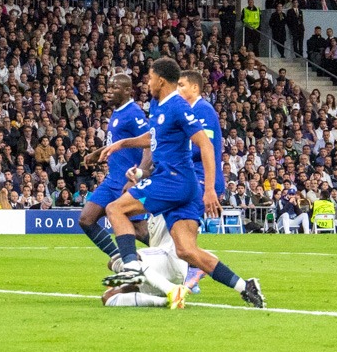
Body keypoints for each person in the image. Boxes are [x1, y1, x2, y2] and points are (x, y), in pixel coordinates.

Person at [100, 58, 265, 308]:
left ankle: (132, 266)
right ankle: (245, 286)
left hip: (173, 181)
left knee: (115, 209)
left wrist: (209, 189)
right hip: (182, 185)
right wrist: (122, 143)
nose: (147, 83)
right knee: (187, 250)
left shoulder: (178, 107)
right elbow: (153, 137)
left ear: (161, 80)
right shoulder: (157, 104)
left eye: (150, 78)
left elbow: (206, 145)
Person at [79, 73, 151, 262]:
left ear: (128, 90)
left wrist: (137, 176)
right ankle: (118, 259)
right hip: (113, 180)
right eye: (108, 87)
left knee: (140, 231)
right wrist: (98, 153)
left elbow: (150, 144)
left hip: (127, 180)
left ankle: (184, 261)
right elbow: (120, 143)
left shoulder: (134, 113)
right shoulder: (118, 112)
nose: (108, 91)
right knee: (86, 219)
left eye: (114, 88)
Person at [176, 70, 224, 293]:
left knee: (181, 227)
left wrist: (210, 187)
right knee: (177, 228)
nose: (178, 90)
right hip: (191, 177)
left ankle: (196, 266)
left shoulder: (203, 110)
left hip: (201, 178)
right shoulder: (188, 111)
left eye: (181, 85)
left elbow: (204, 147)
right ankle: (190, 268)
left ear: (195, 88)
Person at [101, 215, 189, 309]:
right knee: (108, 297)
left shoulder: (169, 204)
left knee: (120, 260)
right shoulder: (152, 213)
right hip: (161, 272)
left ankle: (171, 289)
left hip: (169, 258)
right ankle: (167, 300)